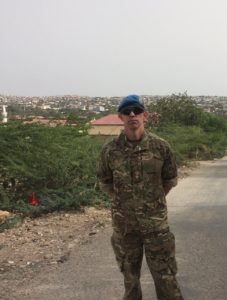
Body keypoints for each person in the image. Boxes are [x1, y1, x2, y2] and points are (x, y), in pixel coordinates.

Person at [97, 95, 184, 300]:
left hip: (156, 227)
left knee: (165, 277)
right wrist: (123, 202)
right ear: (121, 117)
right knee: (130, 279)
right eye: (127, 111)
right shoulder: (110, 151)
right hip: (125, 227)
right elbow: (104, 181)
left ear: (145, 115)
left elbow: (170, 179)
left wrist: (152, 201)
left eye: (136, 110)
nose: (132, 114)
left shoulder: (160, 147)